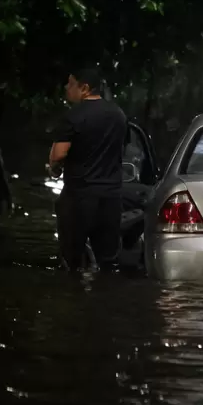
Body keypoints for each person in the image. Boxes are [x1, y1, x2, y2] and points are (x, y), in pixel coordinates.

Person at [48, 67, 127, 272]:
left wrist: (54, 168)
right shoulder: (118, 115)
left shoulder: (73, 116)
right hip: (111, 198)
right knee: (108, 262)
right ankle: (106, 300)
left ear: (84, 88)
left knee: (72, 261)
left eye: (71, 83)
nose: (67, 87)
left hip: (79, 197)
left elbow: (58, 155)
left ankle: (75, 300)